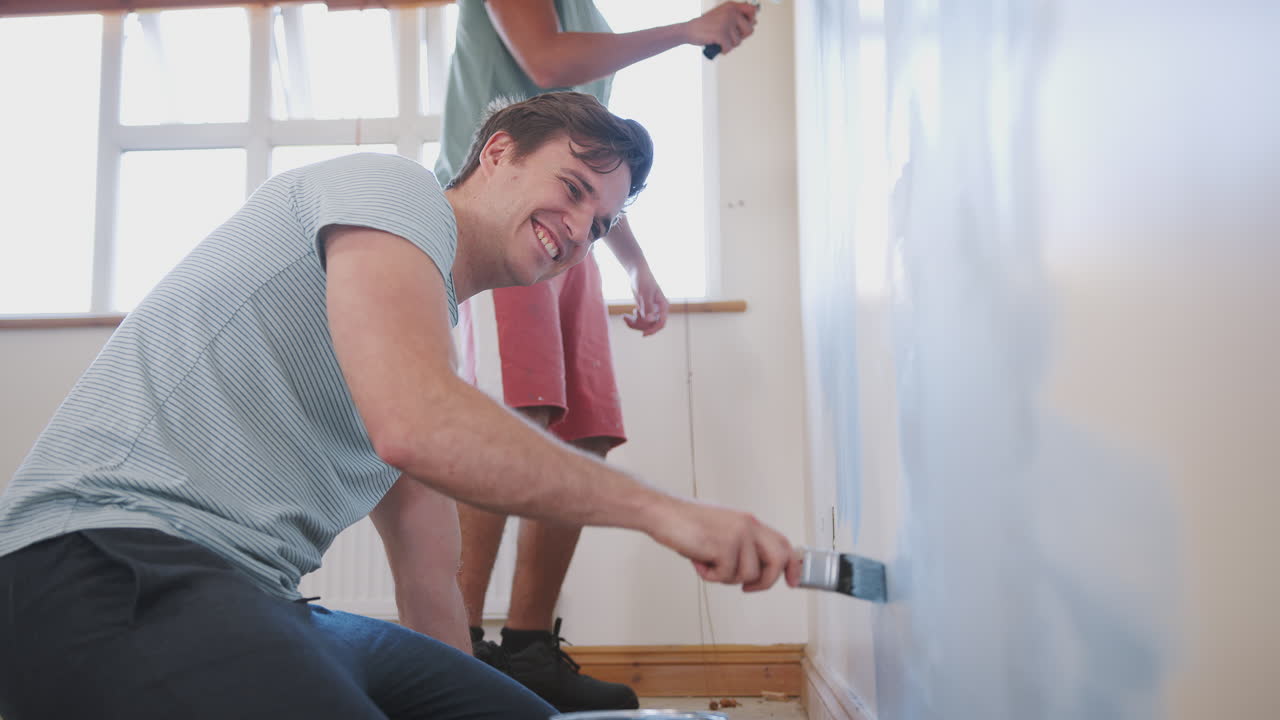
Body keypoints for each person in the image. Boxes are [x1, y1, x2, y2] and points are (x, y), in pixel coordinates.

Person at [0, 91, 798, 720]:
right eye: (574, 187)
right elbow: (420, 424)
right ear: (496, 154)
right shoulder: (392, 188)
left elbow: (429, 580)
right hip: (100, 562)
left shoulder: (412, 345)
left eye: (601, 223)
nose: (581, 229)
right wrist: (666, 513)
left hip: (260, 597)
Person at [420, 1, 761, 712]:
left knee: (588, 428)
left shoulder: (591, 13)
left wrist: (635, 262)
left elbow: (590, 169)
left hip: (569, 234)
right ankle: (450, 653)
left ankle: (528, 650)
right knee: (520, 413)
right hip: (502, 218)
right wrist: (686, 30)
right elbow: (546, 62)